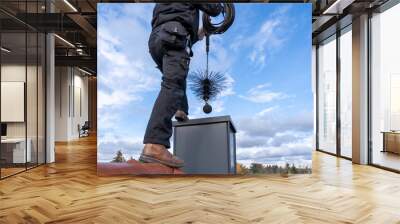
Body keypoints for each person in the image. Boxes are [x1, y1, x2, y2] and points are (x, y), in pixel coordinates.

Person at [139, 3, 223, 168]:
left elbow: (176, 23)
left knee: (176, 78)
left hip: (158, 39)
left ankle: (181, 110)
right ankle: (155, 145)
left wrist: (200, 33)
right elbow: (214, 8)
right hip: (174, 35)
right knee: (173, 84)